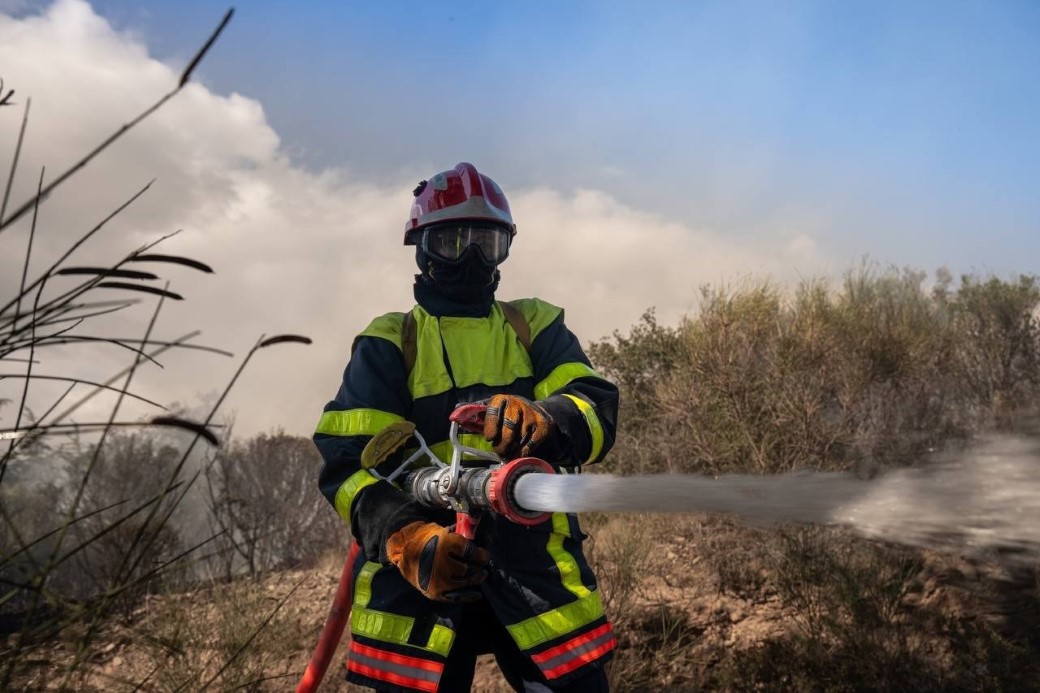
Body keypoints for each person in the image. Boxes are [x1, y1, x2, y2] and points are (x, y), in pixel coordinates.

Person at [314, 162, 619, 692]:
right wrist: (405, 537)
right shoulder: (391, 341)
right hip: (421, 581)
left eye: (488, 242)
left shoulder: (536, 325)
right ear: (423, 247)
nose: (473, 257)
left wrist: (547, 418)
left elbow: (596, 408)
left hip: (536, 576)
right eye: (455, 241)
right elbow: (348, 466)